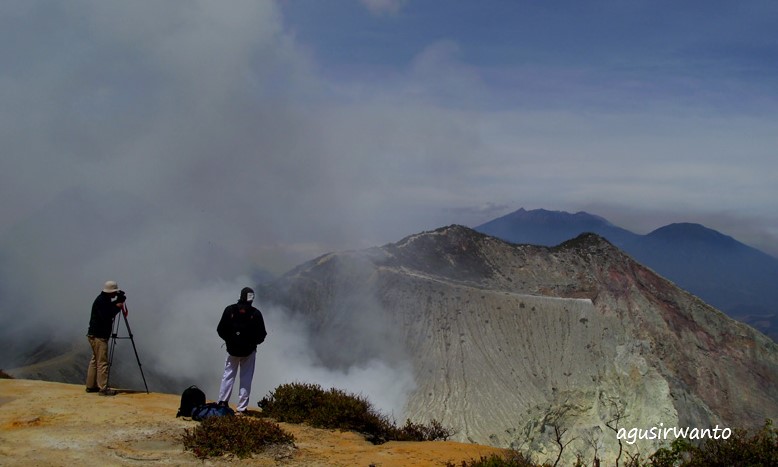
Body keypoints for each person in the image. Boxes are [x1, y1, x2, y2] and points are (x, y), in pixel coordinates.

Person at [217, 287, 267, 414]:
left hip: (232, 350)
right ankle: (241, 408)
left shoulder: (230, 310)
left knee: (228, 375)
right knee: (246, 378)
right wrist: (253, 344)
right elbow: (262, 334)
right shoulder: (255, 313)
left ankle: (222, 402)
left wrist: (229, 341)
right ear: (252, 298)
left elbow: (221, 329)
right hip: (249, 351)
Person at [86, 280, 127, 396]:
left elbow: (107, 309)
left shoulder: (103, 299)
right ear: (110, 292)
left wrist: (116, 304)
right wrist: (118, 307)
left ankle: (90, 386)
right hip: (99, 336)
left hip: (93, 335)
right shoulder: (102, 301)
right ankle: (103, 389)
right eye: (114, 292)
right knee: (102, 363)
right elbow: (107, 315)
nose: (115, 295)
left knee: (95, 361)